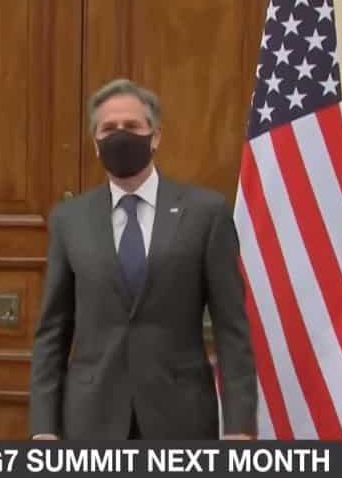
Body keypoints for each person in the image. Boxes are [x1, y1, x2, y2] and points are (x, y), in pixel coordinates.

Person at [28, 78, 257, 440]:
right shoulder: (69, 219)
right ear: (95, 143)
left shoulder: (205, 213)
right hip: (92, 418)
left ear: (155, 136)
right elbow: (52, 332)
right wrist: (44, 428)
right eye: (109, 128)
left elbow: (232, 330)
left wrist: (239, 426)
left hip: (180, 416)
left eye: (132, 126)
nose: (120, 135)